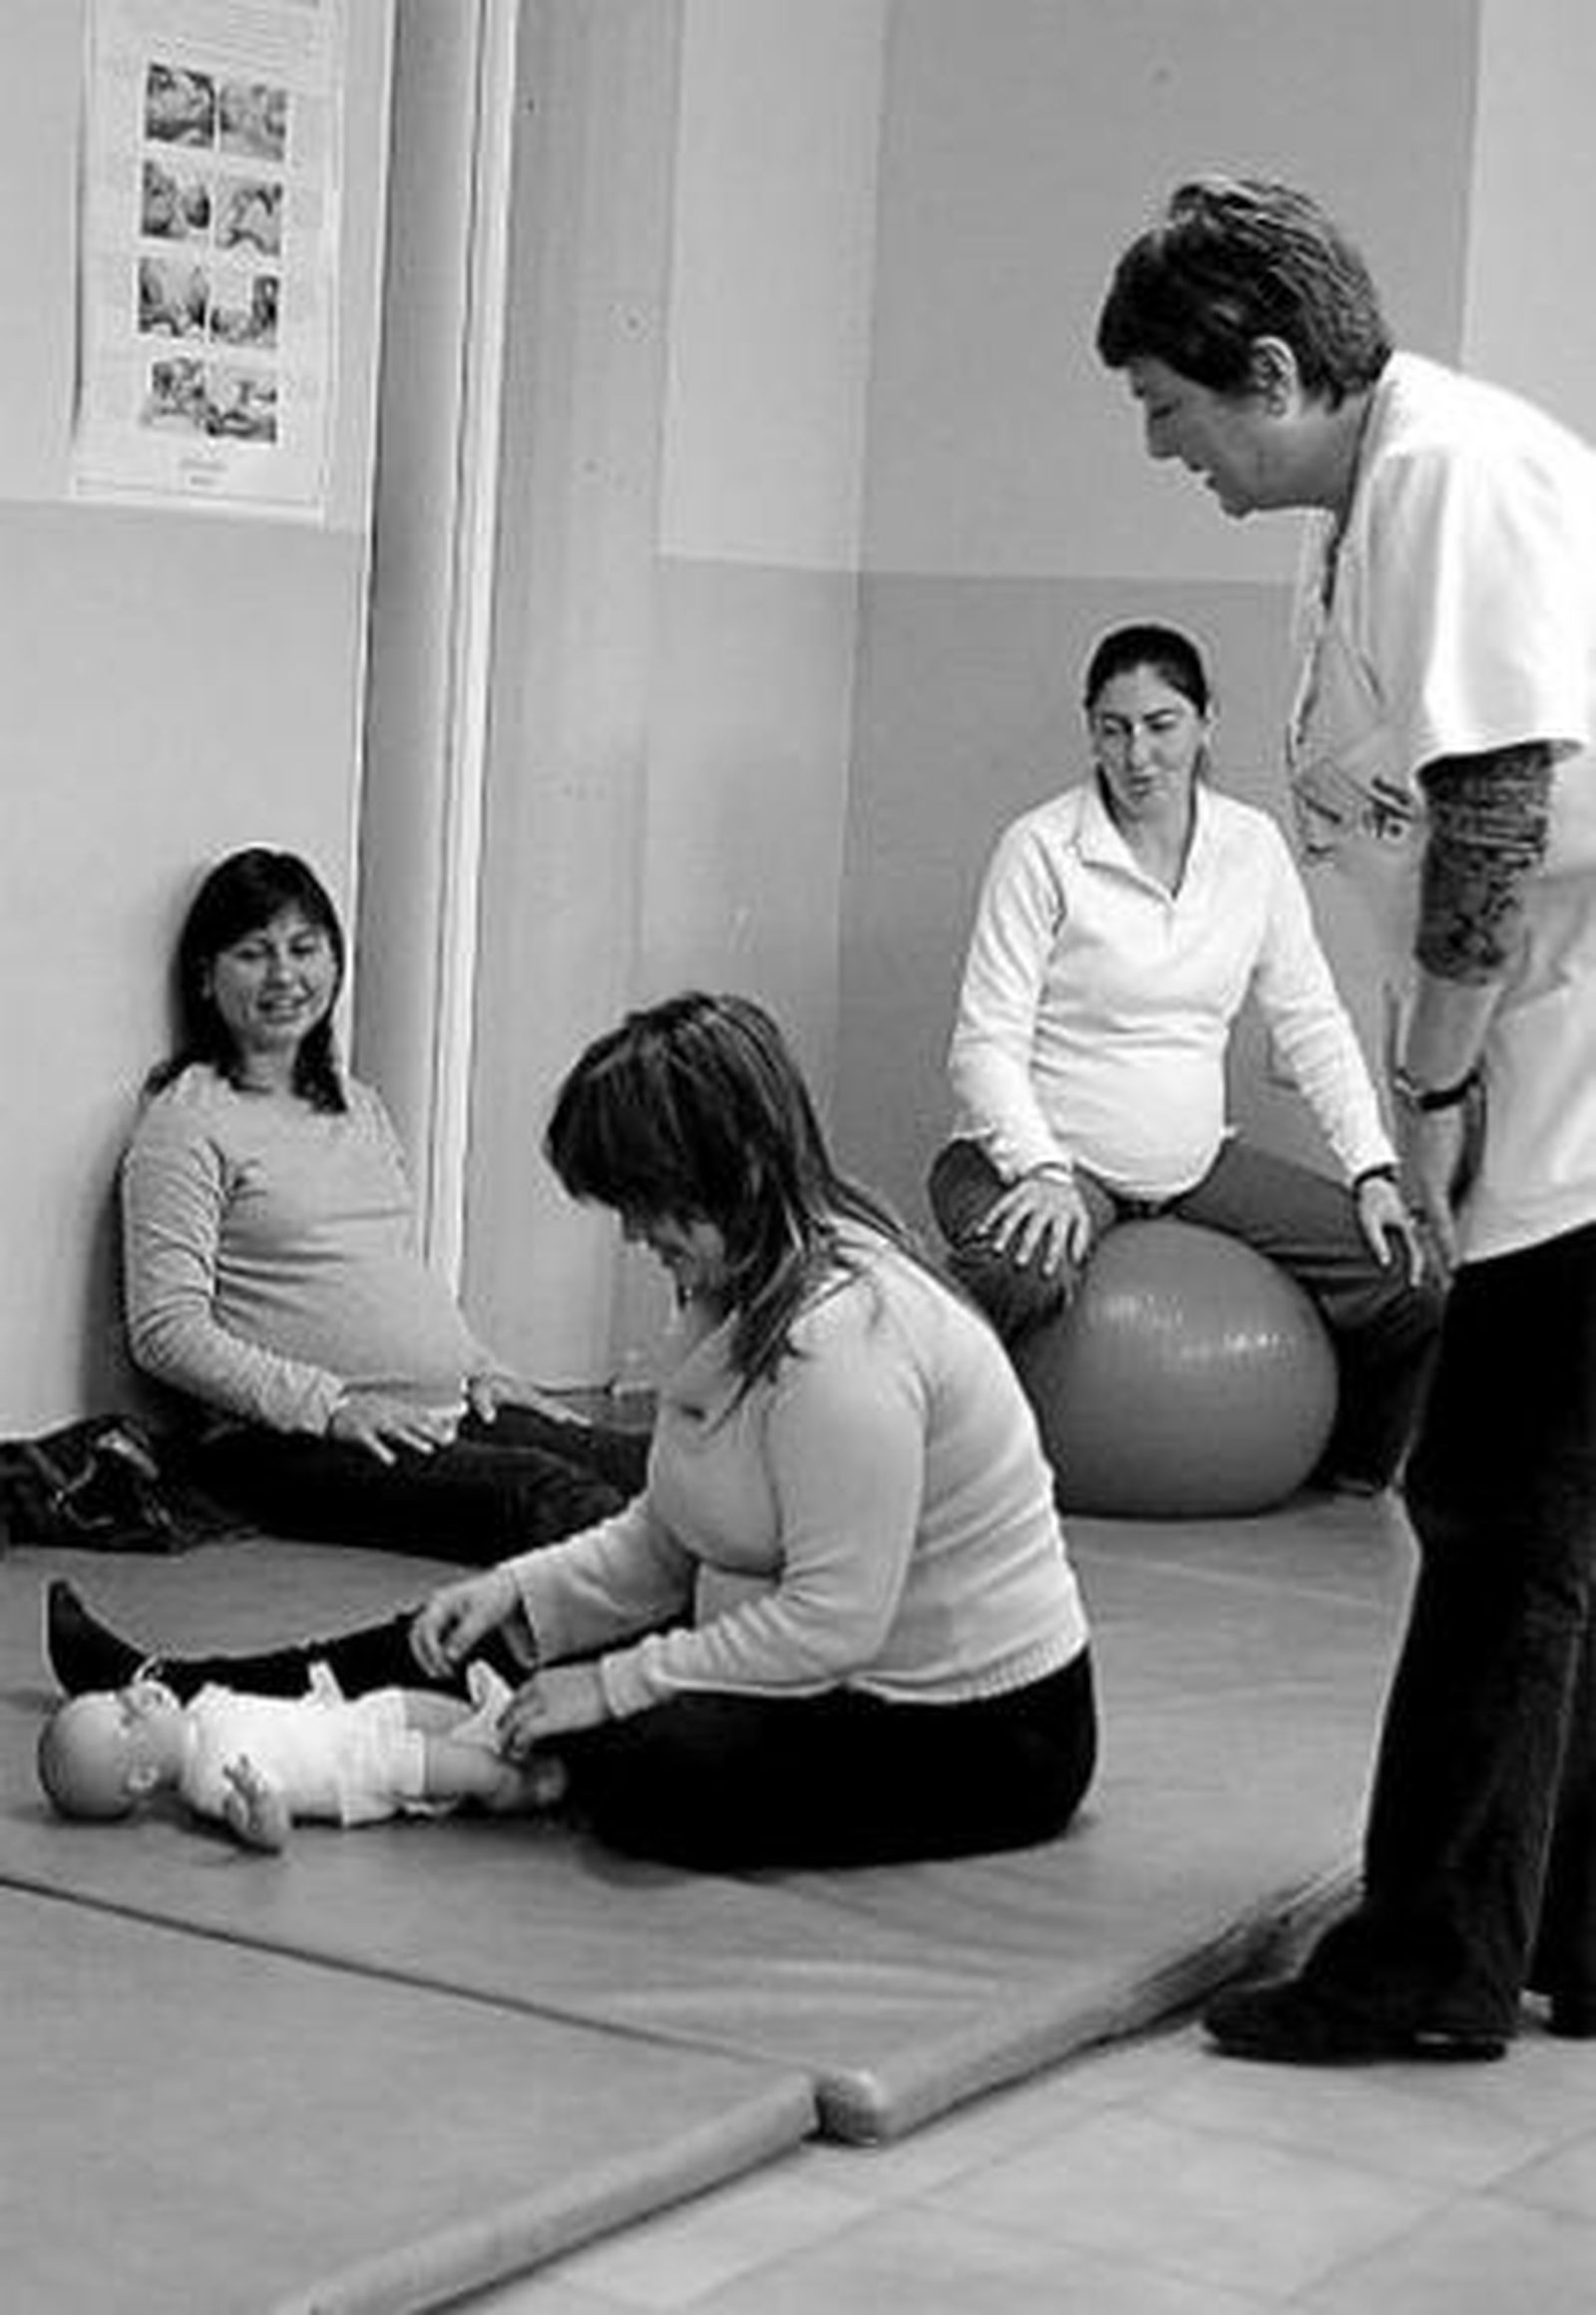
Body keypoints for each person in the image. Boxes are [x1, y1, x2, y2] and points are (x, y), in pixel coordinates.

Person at [1097, 174, 1596, 2063]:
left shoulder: (1455, 479)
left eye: (1172, 404)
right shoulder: (1374, 499)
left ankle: (1434, 1962)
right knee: (1543, 1517)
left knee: (1494, 1516)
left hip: (1558, 1065)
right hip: (1535, 1046)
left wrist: (1441, 1093)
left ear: (1277, 370)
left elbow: (1492, 813)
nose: (1163, 447)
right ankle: (1553, 1930)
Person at [51, 990, 1097, 1873]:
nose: (636, 1236)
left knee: (653, 1765)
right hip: (827, 1665)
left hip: (975, 1730)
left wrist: (604, 1684)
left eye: (647, 1206)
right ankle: (188, 1692)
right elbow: (663, 1537)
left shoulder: (847, 1343)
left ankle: (404, 1751)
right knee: (477, 1630)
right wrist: (519, 1595)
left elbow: (832, 1620)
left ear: (722, 1170)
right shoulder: (730, 1289)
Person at [930, 619, 1437, 1495]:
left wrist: (1372, 1170)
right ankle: (904, 1464)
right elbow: (984, 1043)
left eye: (1162, 724)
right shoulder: (1042, 848)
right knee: (1018, 1271)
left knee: (1409, 1276)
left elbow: (1311, 1017)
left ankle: (1344, 1474)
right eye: (1114, 728)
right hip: (1044, 1157)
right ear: (1090, 730)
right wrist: (1044, 1170)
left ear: (1207, 722)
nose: (1138, 755)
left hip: (1191, 1161)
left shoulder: (1251, 848)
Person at [122, 847, 644, 1563]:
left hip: (440, 1408)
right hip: (289, 1442)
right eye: (253, 953)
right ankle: (711, 1646)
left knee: (653, 1465)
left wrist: (482, 1366)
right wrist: (330, 1405)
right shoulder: (185, 1122)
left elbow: (384, 1271)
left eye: (304, 948)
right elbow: (166, 1331)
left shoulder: (357, 1105)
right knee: (550, 1495)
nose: (284, 975)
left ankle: (797, 1624)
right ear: (205, 978)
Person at [37, 1664, 559, 1853]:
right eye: (127, 1717)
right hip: (354, 1767)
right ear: (144, 1775)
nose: (135, 1695)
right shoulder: (208, 1781)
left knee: (413, 1705)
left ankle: (486, 1726)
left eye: (115, 1694)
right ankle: (510, 1784)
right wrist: (260, 1808)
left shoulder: (199, 1707)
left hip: (345, 1718)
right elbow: (271, 1830)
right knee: (436, 1762)